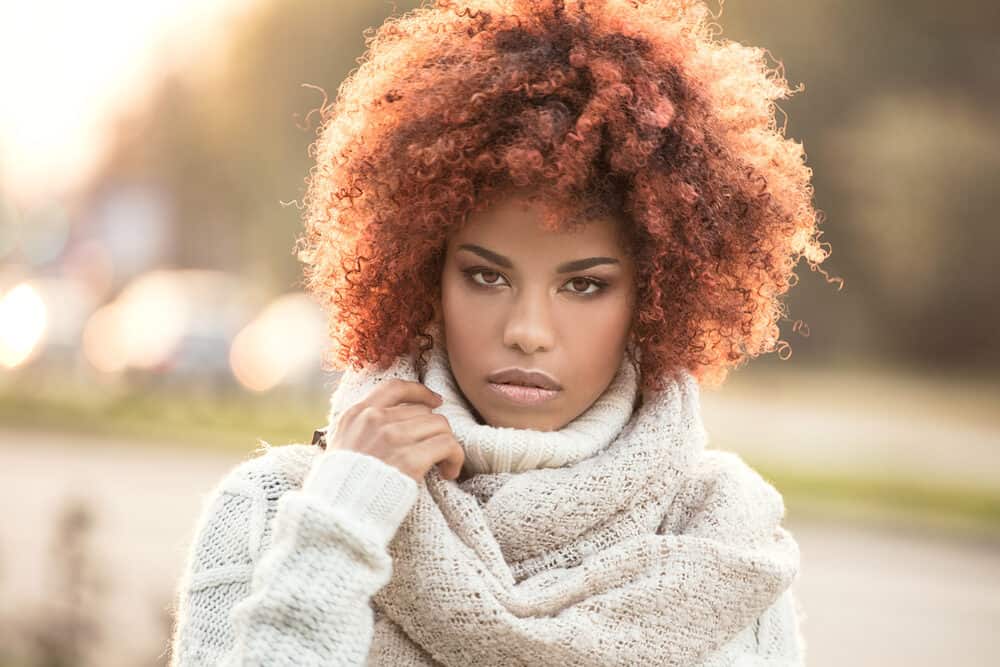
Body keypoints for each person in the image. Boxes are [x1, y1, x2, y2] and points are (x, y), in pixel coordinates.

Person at [169, 0, 830, 664]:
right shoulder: (280, 508)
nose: (528, 331)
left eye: (584, 285)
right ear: (426, 273)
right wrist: (343, 519)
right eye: (487, 277)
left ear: (653, 298)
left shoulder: (722, 541)